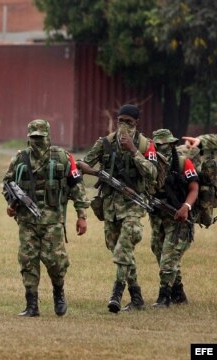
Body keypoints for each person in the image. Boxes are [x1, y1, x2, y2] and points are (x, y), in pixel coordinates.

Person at [3, 119, 89, 317]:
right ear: (28, 138)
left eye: (40, 138)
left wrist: (81, 216)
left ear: (48, 137)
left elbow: (77, 187)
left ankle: (59, 294)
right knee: (28, 261)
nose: (37, 142)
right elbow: (8, 183)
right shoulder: (19, 159)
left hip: (53, 220)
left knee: (56, 261)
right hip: (26, 221)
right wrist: (12, 204)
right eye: (33, 138)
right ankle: (31, 304)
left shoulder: (62, 158)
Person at [82, 104, 158, 313]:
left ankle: (116, 293)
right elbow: (84, 163)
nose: (124, 126)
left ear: (137, 124)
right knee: (117, 249)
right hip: (110, 205)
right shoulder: (105, 143)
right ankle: (137, 298)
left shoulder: (145, 145)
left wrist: (133, 151)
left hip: (134, 204)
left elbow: (152, 172)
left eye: (129, 122)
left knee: (123, 248)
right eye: (121, 121)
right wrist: (97, 174)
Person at [149, 129, 198, 307]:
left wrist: (186, 207)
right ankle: (179, 293)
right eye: (160, 145)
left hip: (179, 218)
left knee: (168, 258)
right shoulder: (149, 163)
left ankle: (164, 297)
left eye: (168, 144)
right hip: (157, 217)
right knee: (158, 250)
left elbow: (194, 188)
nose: (165, 148)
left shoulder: (183, 162)